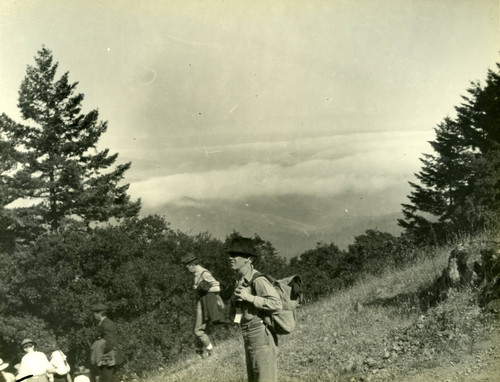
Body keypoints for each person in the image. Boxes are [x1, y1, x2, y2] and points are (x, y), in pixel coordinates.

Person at [227, 236, 282, 382]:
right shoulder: (239, 282)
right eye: (230, 255)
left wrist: (249, 297)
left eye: (235, 255)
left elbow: (277, 304)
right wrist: (234, 302)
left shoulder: (258, 280)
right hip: (248, 336)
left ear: (248, 259)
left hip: (261, 337)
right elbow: (236, 316)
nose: (230, 258)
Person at [181, 252, 225, 359]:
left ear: (192, 265)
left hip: (204, 303)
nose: (187, 270)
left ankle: (211, 352)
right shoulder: (196, 273)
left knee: (198, 331)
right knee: (198, 330)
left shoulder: (204, 273)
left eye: (187, 267)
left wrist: (202, 289)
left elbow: (217, 287)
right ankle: (202, 353)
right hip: (200, 303)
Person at [90, 303, 125, 382]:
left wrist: (98, 352)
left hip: (107, 359)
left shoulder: (106, 324)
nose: (94, 315)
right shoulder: (103, 323)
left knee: (105, 380)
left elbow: (109, 343)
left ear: (99, 313)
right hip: (107, 359)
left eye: (94, 313)